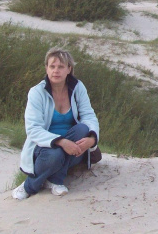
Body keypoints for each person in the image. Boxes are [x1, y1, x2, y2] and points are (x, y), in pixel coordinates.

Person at [12, 47, 100, 200]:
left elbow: (89, 115)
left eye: (61, 67)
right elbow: (33, 129)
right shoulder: (37, 92)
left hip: (74, 145)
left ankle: (54, 179)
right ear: (46, 68)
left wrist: (92, 139)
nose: (56, 71)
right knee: (56, 154)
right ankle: (30, 186)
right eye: (52, 66)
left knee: (82, 129)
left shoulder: (77, 88)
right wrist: (61, 142)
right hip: (45, 147)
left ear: (69, 69)